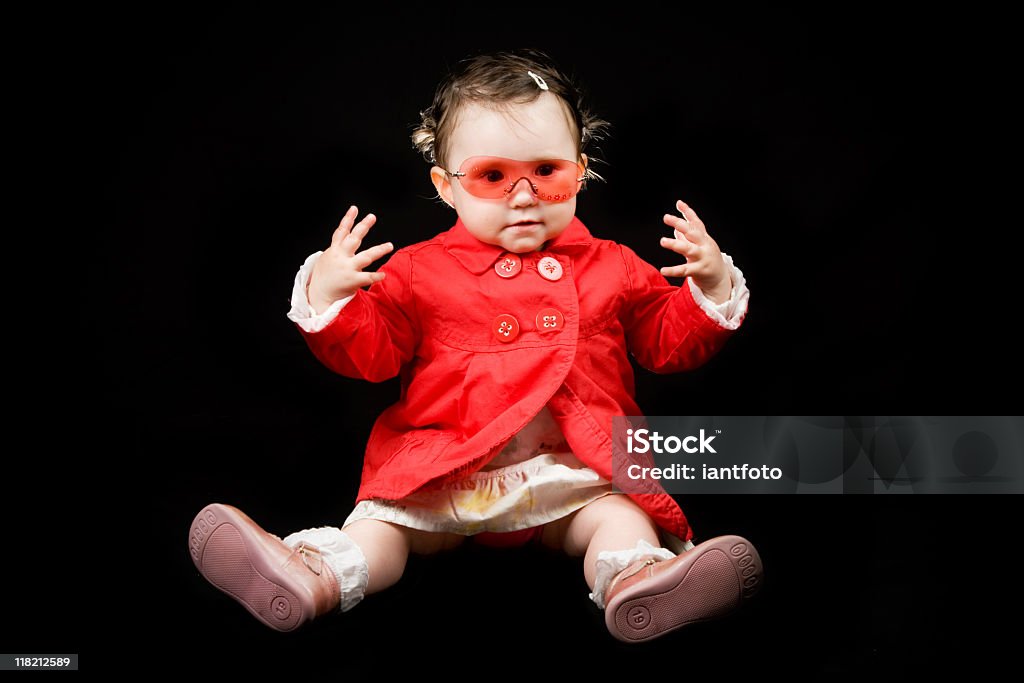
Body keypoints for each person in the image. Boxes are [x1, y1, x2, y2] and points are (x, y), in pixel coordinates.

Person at [188, 49, 762, 643]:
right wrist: (332, 296)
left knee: (618, 517)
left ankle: (638, 583)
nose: (523, 195)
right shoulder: (417, 271)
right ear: (447, 186)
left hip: (572, 473)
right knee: (385, 532)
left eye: (548, 172)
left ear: (581, 172)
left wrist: (709, 287)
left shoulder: (611, 265)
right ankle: (315, 576)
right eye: (493, 176)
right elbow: (371, 355)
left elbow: (667, 344)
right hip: (445, 473)